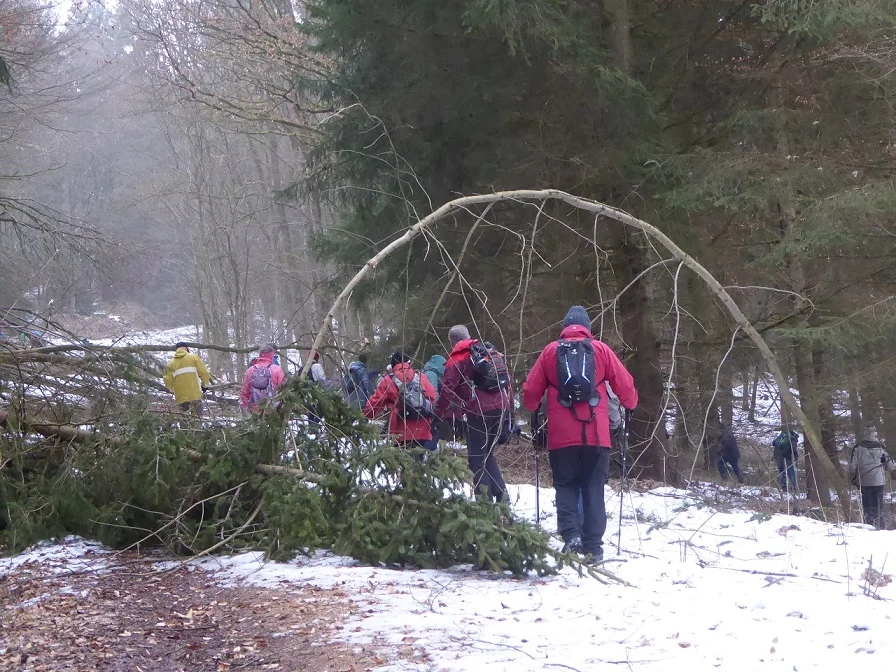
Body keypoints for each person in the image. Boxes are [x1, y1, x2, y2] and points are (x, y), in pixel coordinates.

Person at [522, 305, 637, 562]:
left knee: (566, 486)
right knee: (593, 487)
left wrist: (533, 408)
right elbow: (626, 385)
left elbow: (530, 393)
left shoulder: (550, 352)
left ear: (564, 329)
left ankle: (571, 536)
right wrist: (631, 405)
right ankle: (594, 547)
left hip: (562, 438)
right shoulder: (601, 351)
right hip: (596, 436)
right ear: (588, 329)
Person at [435, 326, 512, 503]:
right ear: (469, 337)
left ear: (451, 341)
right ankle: (502, 499)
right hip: (500, 408)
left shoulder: (456, 359)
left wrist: (437, 414)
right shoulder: (490, 352)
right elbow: (507, 382)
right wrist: (509, 416)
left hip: (478, 411)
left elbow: (447, 390)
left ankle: (484, 505)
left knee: (477, 460)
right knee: (487, 455)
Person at [364, 351, 437, 450]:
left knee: (404, 462)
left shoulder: (388, 380)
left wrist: (364, 416)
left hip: (400, 433)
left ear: (393, 365)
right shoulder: (421, 377)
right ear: (408, 363)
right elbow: (432, 397)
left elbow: (375, 404)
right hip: (422, 430)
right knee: (418, 462)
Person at [849, 426, 894, 529]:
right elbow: (889, 461)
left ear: (864, 434)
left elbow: (852, 466)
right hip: (879, 480)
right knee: (879, 506)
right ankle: (881, 527)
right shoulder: (881, 447)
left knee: (868, 506)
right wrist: (893, 471)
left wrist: (853, 479)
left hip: (864, 480)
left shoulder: (857, 447)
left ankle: (869, 527)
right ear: (875, 434)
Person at [163, 342, 211, 417]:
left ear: (176, 350)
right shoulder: (193, 357)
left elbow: (167, 381)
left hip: (181, 398)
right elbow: (204, 372)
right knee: (197, 419)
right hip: (195, 395)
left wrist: (174, 390)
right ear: (186, 348)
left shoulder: (171, 363)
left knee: (184, 420)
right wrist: (205, 385)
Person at [240, 344, 287, 413]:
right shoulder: (277, 369)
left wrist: (245, 405)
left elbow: (245, 391)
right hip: (273, 409)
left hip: (255, 409)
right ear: (271, 355)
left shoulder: (250, 370)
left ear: (260, 354)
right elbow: (283, 389)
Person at [422, 354, 447, 451]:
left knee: (433, 431)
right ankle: (429, 454)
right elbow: (432, 393)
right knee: (432, 431)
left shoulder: (431, 373)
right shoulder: (430, 374)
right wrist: (437, 409)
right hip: (431, 409)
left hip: (428, 409)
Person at [772, 427, 800, 493]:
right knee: (791, 470)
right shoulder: (793, 438)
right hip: (787, 455)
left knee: (781, 471)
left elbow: (774, 443)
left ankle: (783, 486)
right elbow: (794, 448)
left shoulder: (782, 435)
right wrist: (796, 456)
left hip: (778, 454)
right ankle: (794, 487)